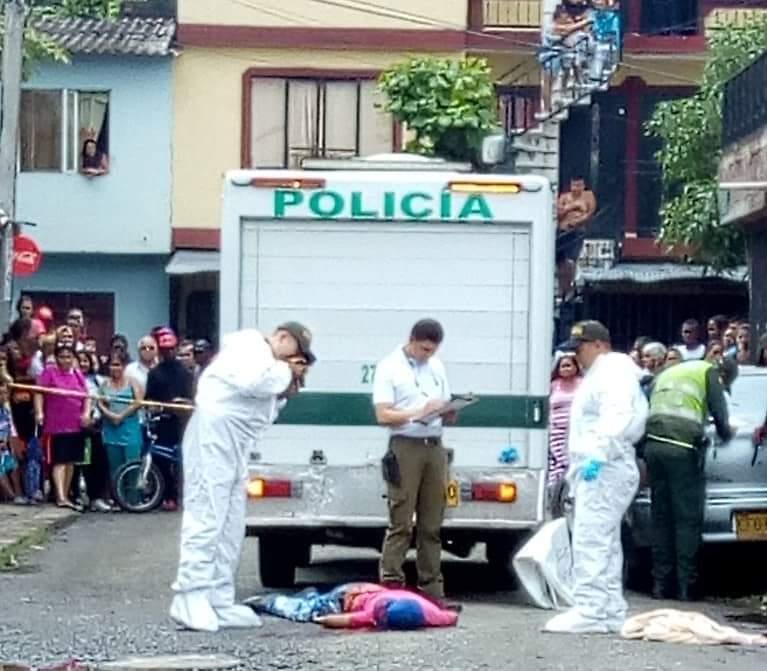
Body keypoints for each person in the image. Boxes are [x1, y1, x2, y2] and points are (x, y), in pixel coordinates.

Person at [170, 322, 314, 632]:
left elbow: (263, 406)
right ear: (283, 337)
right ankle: (190, 595)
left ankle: (219, 597)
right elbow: (255, 381)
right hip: (213, 435)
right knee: (207, 515)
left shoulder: (269, 365)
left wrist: (287, 386)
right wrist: (286, 372)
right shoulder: (249, 346)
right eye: (295, 354)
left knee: (231, 523)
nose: (294, 362)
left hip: (235, 445)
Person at [544, 321, 648, 634]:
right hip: (606, 464)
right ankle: (609, 609)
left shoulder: (611, 372)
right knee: (606, 541)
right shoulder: (608, 372)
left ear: (600, 345)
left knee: (591, 539)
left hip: (604, 466)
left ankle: (590, 608)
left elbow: (617, 415)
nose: (576, 356)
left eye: (581, 348)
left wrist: (597, 456)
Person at [373, 319, 453, 601]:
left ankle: (432, 588)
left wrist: (448, 410)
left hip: (434, 444)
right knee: (402, 520)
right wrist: (417, 413)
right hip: (405, 444)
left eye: (433, 350)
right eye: (424, 349)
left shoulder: (436, 366)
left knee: (432, 523)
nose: (428, 355)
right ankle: (392, 584)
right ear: (412, 340)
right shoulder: (389, 367)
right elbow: (383, 415)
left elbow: (443, 402)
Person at [644, 359, 733, 601]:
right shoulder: (709, 373)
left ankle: (660, 585)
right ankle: (686, 586)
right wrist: (727, 433)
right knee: (686, 518)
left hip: (653, 446)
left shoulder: (670, 372)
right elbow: (720, 415)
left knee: (661, 517)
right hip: (681, 449)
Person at [34, 343, 91, 511]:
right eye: (62, 357)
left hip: (75, 424)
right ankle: (60, 496)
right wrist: (39, 412)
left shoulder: (77, 374)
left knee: (71, 462)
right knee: (59, 461)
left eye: (68, 357)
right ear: (56, 358)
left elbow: (86, 396)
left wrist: (86, 413)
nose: (65, 360)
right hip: (56, 425)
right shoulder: (49, 372)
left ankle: (66, 495)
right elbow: (39, 392)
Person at [145, 327, 193, 511]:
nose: (168, 353)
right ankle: (167, 496)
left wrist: (184, 403)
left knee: (183, 460)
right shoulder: (154, 373)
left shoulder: (185, 373)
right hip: (163, 421)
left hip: (183, 422)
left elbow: (192, 396)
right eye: (165, 350)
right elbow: (149, 397)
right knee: (161, 459)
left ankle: (183, 495)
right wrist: (153, 406)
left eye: (171, 349)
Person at [98, 352, 144, 487]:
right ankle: (117, 496)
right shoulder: (104, 384)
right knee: (115, 468)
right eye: (112, 365)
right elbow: (99, 403)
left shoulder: (133, 382)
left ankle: (133, 497)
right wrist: (110, 415)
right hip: (111, 430)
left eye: (118, 365)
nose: (115, 368)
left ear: (124, 366)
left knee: (132, 466)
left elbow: (138, 402)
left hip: (130, 429)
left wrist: (121, 416)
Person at [556, 177, 597, 300]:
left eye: (579, 186)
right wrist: (572, 206)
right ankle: (562, 288)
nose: (576, 189)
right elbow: (558, 214)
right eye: (574, 186)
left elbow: (590, 214)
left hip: (577, 231)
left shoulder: (588, 196)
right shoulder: (564, 197)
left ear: (583, 186)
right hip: (563, 231)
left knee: (571, 260)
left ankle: (570, 287)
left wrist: (577, 221)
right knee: (561, 262)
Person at [548, 352, 581, 489]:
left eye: (569, 365)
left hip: (576, 430)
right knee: (558, 461)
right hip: (557, 431)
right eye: (563, 366)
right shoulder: (553, 385)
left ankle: (572, 490)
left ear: (576, 367)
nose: (566, 369)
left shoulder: (583, 383)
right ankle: (555, 490)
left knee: (572, 461)